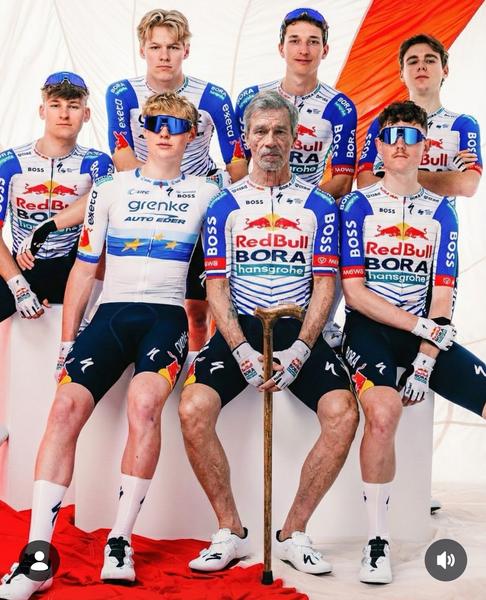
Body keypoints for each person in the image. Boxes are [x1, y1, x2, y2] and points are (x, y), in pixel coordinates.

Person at [0, 92, 219, 600]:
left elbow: (212, 278)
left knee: (144, 406)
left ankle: (120, 539)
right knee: (64, 408)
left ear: (191, 135)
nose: (164, 132)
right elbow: (83, 269)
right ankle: (37, 554)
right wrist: (66, 341)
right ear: (142, 130)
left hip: (166, 316)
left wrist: (205, 341)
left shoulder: (209, 194)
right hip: (111, 313)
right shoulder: (109, 188)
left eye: (176, 125)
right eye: (154, 123)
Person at [179, 90, 358, 575]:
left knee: (343, 414)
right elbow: (216, 286)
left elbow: (326, 285)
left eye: (280, 131)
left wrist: (300, 350)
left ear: (295, 137)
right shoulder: (224, 204)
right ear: (246, 138)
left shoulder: (319, 204)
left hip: (298, 327)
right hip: (240, 325)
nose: (271, 141)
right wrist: (239, 350)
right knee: (193, 409)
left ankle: (293, 532)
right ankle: (230, 531)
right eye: (261, 131)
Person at [339, 100, 486, 584]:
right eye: (391, 136)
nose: (400, 144)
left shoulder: (442, 211)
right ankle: (377, 540)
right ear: (379, 147)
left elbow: (443, 295)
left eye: (410, 135)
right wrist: (421, 328)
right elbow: (355, 294)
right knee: (384, 413)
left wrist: (425, 361)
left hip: (424, 332)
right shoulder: (357, 205)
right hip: (371, 329)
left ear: (426, 146)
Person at [105, 8, 247, 350]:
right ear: (142, 50)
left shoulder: (213, 97)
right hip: (147, 197)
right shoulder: (122, 93)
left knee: (199, 310)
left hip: (197, 200)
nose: (164, 56)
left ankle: (203, 365)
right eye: (155, 47)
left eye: (172, 47)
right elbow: (122, 157)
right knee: (151, 300)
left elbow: (238, 161)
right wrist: (158, 192)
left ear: (186, 49)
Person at [235, 7, 358, 346]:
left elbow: (343, 181)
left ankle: (325, 322)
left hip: (310, 201)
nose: (304, 50)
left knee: (345, 213)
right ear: (281, 48)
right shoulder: (250, 97)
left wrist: (299, 202)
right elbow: (238, 165)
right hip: (256, 195)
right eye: (295, 41)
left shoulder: (340, 106)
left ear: (325, 50)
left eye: (313, 42)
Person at [0, 72, 113, 323]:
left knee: (109, 225)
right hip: (23, 264)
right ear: (42, 111)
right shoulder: (10, 162)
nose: (64, 114)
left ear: (86, 114)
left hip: (72, 266)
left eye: (73, 106)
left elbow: (104, 203)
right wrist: (18, 286)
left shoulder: (97, 161)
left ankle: (92, 311)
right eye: (55, 105)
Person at [357, 34, 482, 198]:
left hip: (440, 215)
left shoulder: (463, 124)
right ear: (401, 74)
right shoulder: (382, 122)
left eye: (430, 60)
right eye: (413, 61)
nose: (421, 66)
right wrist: (449, 176)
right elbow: (365, 182)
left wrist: (390, 172)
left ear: (445, 70)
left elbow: (467, 185)